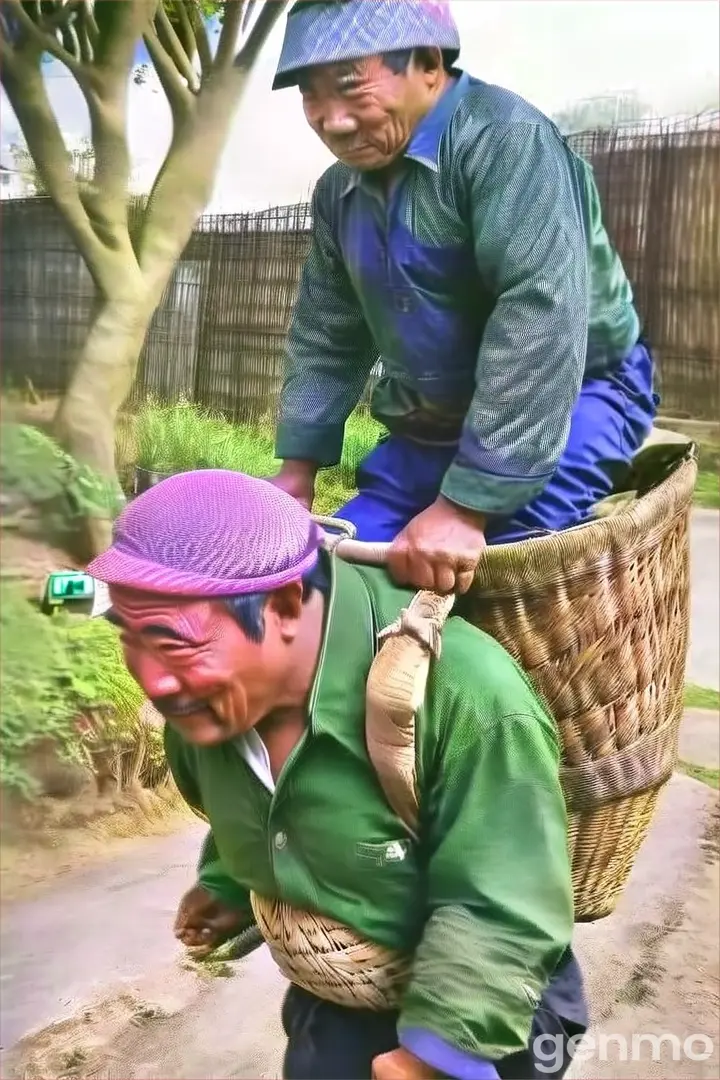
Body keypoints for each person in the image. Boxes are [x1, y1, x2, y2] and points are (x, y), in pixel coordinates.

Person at [88, 469, 589, 1080]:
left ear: (283, 605)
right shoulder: (202, 714)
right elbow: (258, 809)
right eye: (131, 639)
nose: (153, 679)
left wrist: (436, 1056)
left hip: (493, 1007)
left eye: (174, 644)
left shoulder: (465, 698)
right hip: (340, 999)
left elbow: (505, 900)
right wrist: (226, 888)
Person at [268, 0, 658, 595]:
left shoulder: (506, 142)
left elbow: (539, 312)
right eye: (310, 96)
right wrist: (295, 474)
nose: (333, 120)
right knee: (335, 571)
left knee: (494, 576)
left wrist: (465, 508)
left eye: (351, 90)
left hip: (580, 390)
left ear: (428, 64)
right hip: (433, 420)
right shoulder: (336, 194)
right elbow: (328, 331)